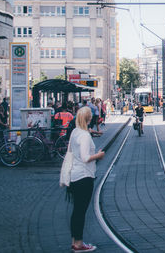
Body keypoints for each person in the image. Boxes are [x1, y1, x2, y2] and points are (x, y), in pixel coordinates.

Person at [67, 106, 105, 253]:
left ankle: (74, 241)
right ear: (89, 118)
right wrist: (99, 155)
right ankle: (79, 244)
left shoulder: (75, 133)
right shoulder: (84, 136)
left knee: (76, 210)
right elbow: (85, 158)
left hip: (74, 176)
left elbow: (71, 151)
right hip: (84, 177)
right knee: (81, 211)